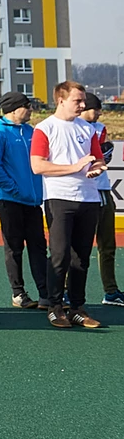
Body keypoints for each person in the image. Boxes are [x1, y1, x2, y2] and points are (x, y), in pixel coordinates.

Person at [32, 80, 107, 329]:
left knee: (81, 258)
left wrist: (97, 169)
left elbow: (97, 160)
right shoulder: (45, 128)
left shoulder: (87, 129)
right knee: (59, 255)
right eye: (78, 100)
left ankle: (77, 308)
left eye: (83, 100)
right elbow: (38, 166)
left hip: (88, 199)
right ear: (61, 100)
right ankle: (55, 307)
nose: (83, 105)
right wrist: (74, 167)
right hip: (59, 198)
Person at [0, 90, 49, 309]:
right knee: (14, 246)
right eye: (27, 106)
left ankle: (45, 293)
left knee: (38, 246)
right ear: (13, 109)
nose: (31, 109)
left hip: (32, 200)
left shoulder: (31, 131)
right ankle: (18, 293)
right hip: (9, 199)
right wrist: (14, 189)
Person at [78, 92, 122, 306]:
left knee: (107, 244)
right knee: (76, 247)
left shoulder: (100, 127)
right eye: (96, 109)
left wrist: (104, 156)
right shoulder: (69, 128)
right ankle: (67, 291)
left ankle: (111, 291)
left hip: (102, 190)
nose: (99, 113)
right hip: (79, 193)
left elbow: (102, 156)